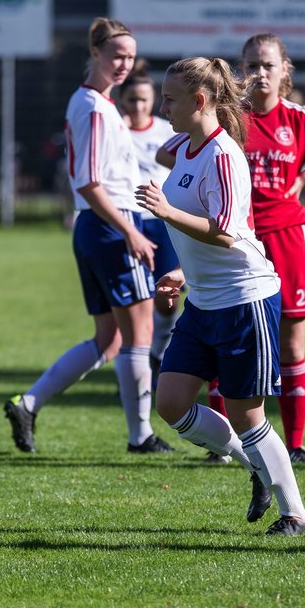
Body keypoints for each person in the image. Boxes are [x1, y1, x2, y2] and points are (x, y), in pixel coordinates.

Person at [160, 32, 305, 466]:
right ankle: (233, 444)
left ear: (284, 71)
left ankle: (296, 443)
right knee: (222, 343)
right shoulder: (230, 122)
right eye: (250, 64)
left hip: (286, 234)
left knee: (292, 346)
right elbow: (171, 154)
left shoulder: (296, 118)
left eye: (267, 65)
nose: (258, 73)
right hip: (237, 239)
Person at [136, 55, 305, 535]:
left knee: (246, 411)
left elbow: (227, 232)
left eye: (170, 100)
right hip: (205, 300)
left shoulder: (224, 155)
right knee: (171, 402)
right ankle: (254, 466)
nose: (163, 108)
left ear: (199, 101)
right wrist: (181, 272)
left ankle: (296, 514)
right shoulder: (187, 148)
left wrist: (167, 212)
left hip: (244, 300)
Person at [3, 17, 172, 456]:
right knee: (139, 333)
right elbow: (89, 182)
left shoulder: (95, 103)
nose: (124, 63)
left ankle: (28, 403)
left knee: (110, 340)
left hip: (96, 229)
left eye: (130, 57)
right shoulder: (96, 109)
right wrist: (130, 230)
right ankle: (141, 437)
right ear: (94, 53)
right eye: (117, 54)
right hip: (108, 229)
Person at [119, 63, 180, 381]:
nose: (139, 106)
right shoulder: (115, 131)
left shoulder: (166, 130)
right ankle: (137, 373)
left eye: (144, 100)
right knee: (134, 303)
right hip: (130, 222)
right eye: (132, 100)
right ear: (122, 100)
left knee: (167, 295)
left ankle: (158, 352)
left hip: (163, 221)